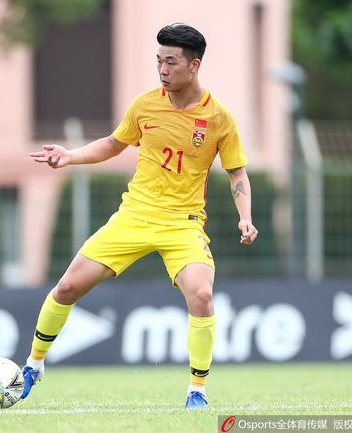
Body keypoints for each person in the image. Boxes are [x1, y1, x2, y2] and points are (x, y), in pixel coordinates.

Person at [23, 23, 258, 410]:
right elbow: (113, 144)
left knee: (202, 295)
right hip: (134, 215)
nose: (162, 70)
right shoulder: (145, 105)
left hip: (183, 224)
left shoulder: (219, 119)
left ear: (194, 65)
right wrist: (70, 156)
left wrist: (244, 217)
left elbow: (237, 173)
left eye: (171, 62)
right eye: (158, 61)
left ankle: (197, 391)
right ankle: (34, 364)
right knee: (66, 287)